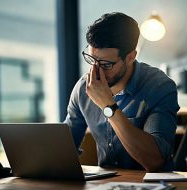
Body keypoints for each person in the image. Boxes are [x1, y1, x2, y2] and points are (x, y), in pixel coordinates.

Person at [64, 12, 179, 172]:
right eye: (92, 60)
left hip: (151, 185)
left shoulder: (159, 87)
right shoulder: (84, 87)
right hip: (105, 184)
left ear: (130, 57)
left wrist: (108, 106)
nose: (96, 71)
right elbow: (64, 149)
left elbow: (155, 161)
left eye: (105, 64)